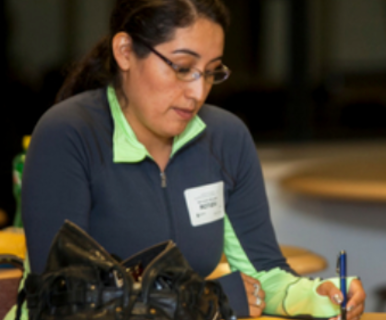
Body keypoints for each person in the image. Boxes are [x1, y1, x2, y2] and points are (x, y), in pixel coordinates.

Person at [12, 0, 366, 319]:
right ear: (124, 51)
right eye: (182, 67)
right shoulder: (69, 133)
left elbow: (262, 274)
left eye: (211, 71)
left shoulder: (226, 138)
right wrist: (206, 299)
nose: (198, 92)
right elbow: (64, 296)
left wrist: (316, 296)